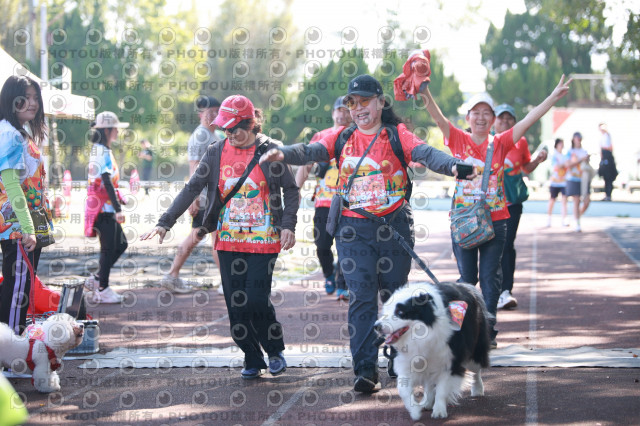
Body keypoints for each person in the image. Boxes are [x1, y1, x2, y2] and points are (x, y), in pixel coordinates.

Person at [261, 74, 466, 393]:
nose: (358, 108)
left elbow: (427, 154)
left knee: (395, 295)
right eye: (352, 103)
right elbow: (311, 151)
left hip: (393, 227)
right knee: (361, 297)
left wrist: (454, 166)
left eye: (365, 101)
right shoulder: (342, 138)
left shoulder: (397, 135)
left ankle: (399, 357)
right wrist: (283, 153)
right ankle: (366, 369)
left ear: (381, 102)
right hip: (353, 230)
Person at [141, 95, 298, 380]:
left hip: (264, 241)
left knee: (256, 300)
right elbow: (192, 188)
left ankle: (275, 350)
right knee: (236, 305)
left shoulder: (270, 151)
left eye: (233, 128)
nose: (228, 133)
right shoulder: (215, 152)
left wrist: (288, 224)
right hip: (228, 241)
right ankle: (252, 357)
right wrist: (165, 222)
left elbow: (291, 189)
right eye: (224, 128)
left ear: (249, 124)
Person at [421, 75, 572, 347]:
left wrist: (552, 97)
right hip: (464, 222)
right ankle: (460, 328)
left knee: (491, 278)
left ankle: (488, 330)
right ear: (468, 117)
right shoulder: (457, 139)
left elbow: (529, 120)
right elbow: (438, 117)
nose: (481, 118)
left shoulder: (501, 142)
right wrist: (424, 92)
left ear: (493, 119)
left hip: (496, 221)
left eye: (486, 113)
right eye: (476, 113)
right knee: (467, 279)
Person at [0, 75, 52, 334]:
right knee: (17, 288)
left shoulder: (18, 132)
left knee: (18, 285)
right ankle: (9, 346)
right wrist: (28, 228)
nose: (32, 103)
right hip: (18, 226)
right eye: (25, 97)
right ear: (11, 100)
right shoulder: (9, 134)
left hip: (22, 224)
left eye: (35, 98)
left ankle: (11, 342)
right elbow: (11, 185)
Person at [159, 96, 223, 294]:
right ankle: (173, 274)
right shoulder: (200, 136)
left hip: (213, 197)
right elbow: (194, 167)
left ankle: (173, 275)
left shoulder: (214, 135)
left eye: (217, 111)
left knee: (205, 236)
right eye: (210, 112)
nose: (214, 115)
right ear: (200, 114)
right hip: (204, 198)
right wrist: (194, 199)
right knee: (207, 237)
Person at [295, 96, 350, 300]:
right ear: (333, 113)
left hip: (350, 203)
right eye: (339, 110)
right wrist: (296, 189)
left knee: (346, 245)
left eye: (347, 110)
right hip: (324, 201)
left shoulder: (357, 136)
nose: (343, 114)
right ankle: (329, 274)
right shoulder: (321, 136)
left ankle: (343, 285)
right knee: (322, 245)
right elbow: (306, 164)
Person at [493, 104, 547, 310]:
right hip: (489, 205)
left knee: (507, 245)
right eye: (501, 118)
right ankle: (490, 288)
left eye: (510, 118)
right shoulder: (486, 141)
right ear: (494, 120)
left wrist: (538, 160)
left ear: (515, 122)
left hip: (512, 204)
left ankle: (505, 290)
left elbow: (526, 167)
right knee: (489, 246)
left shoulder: (521, 142)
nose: (505, 122)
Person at [83, 111, 130, 304]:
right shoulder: (101, 151)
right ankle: (102, 288)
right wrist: (118, 209)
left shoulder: (103, 150)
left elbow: (109, 182)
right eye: (115, 129)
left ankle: (98, 280)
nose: (118, 132)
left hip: (105, 206)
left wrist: (119, 199)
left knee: (120, 244)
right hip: (102, 208)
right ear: (107, 130)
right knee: (108, 248)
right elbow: (106, 182)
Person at [565, 132, 589, 232]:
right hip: (573, 178)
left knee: (587, 201)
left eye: (579, 138)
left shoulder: (584, 151)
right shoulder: (570, 151)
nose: (578, 140)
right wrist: (580, 160)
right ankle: (577, 222)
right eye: (576, 138)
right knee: (576, 200)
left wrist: (587, 159)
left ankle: (576, 216)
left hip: (583, 179)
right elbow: (567, 164)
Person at [546, 138, 570, 227]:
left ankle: (564, 218)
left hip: (563, 181)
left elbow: (568, 165)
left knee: (564, 200)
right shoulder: (553, 155)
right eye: (560, 144)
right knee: (552, 199)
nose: (561, 146)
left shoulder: (565, 155)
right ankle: (549, 218)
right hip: (555, 181)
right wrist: (563, 164)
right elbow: (556, 166)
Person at [598, 122, 617, 201]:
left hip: (608, 159)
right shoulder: (602, 137)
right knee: (605, 177)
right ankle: (607, 194)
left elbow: (610, 148)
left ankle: (608, 195)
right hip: (604, 159)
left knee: (609, 177)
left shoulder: (608, 136)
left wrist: (604, 149)